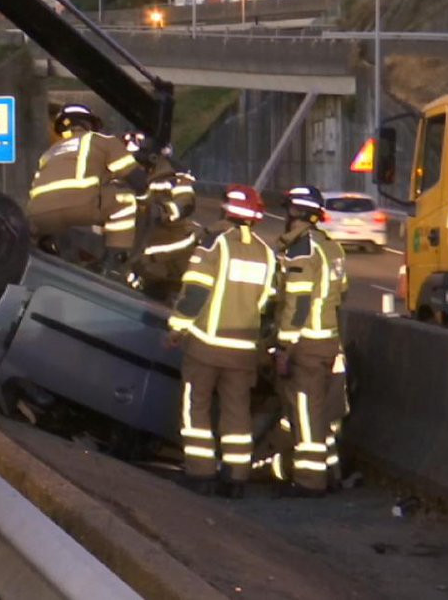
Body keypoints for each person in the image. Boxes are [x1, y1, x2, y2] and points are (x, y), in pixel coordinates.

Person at [167, 185, 275, 498]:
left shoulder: (216, 244)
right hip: (243, 352)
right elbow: (265, 301)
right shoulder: (266, 253)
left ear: (228, 210)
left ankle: (201, 474)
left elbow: (196, 291)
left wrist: (177, 327)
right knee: (237, 411)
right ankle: (236, 477)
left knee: (195, 406)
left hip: (206, 345)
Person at [272, 185, 348, 497]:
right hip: (329, 340)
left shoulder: (301, 249)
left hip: (307, 344)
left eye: (288, 209)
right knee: (319, 411)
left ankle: (309, 482)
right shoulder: (332, 247)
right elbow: (341, 294)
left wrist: (284, 346)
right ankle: (330, 473)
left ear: (297, 213)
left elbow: (298, 302)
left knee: (305, 411)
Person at [27, 104, 143, 275]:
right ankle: (113, 262)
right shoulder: (101, 140)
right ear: (89, 124)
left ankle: (46, 254)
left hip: (37, 217)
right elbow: (135, 177)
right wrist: (148, 195)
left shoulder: (49, 153)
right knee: (125, 199)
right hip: (80, 208)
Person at [133, 147, 198, 301]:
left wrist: (163, 211)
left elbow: (185, 201)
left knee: (168, 291)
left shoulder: (174, 177)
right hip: (145, 245)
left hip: (170, 244)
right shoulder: (132, 173)